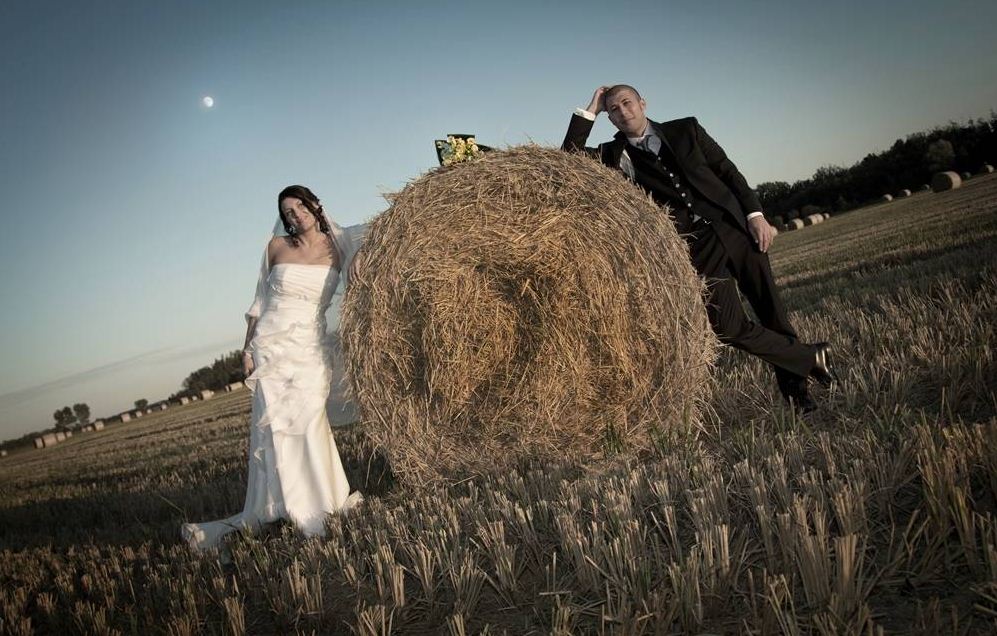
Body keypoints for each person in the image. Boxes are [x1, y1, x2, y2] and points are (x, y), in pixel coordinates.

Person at [562, 85, 836, 411]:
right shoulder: (611, 154)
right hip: (695, 248)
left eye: (627, 103)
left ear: (642, 103)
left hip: (735, 229)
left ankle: (799, 399)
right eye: (614, 110)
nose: (623, 111)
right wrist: (590, 109)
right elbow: (570, 160)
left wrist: (756, 215)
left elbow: (727, 170)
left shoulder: (686, 128)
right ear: (610, 118)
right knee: (727, 327)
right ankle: (810, 357)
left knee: (772, 313)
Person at [181, 185, 364, 550]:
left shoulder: (340, 250)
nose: (295, 215)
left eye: (299, 206)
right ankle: (286, 506)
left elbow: (365, 264)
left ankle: (322, 502)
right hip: (271, 346)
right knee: (277, 428)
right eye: (287, 212)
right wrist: (247, 348)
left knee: (310, 421)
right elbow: (258, 303)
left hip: (309, 348)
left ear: (315, 205)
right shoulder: (275, 248)